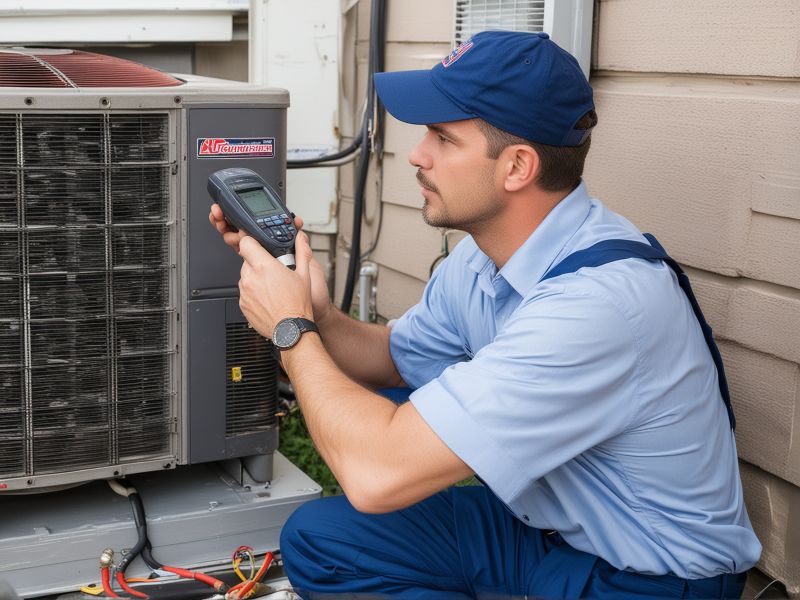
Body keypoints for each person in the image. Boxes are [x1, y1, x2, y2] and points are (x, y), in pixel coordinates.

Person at [210, 30, 760, 599]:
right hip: (545, 532)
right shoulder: (482, 255)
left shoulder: (597, 307)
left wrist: (291, 330)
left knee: (384, 465)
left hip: (645, 578)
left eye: (443, 137)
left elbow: (376, 476)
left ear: (517, 166)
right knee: (322, 542)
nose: (418, 154)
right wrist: (318, 312)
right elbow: (393, 360)